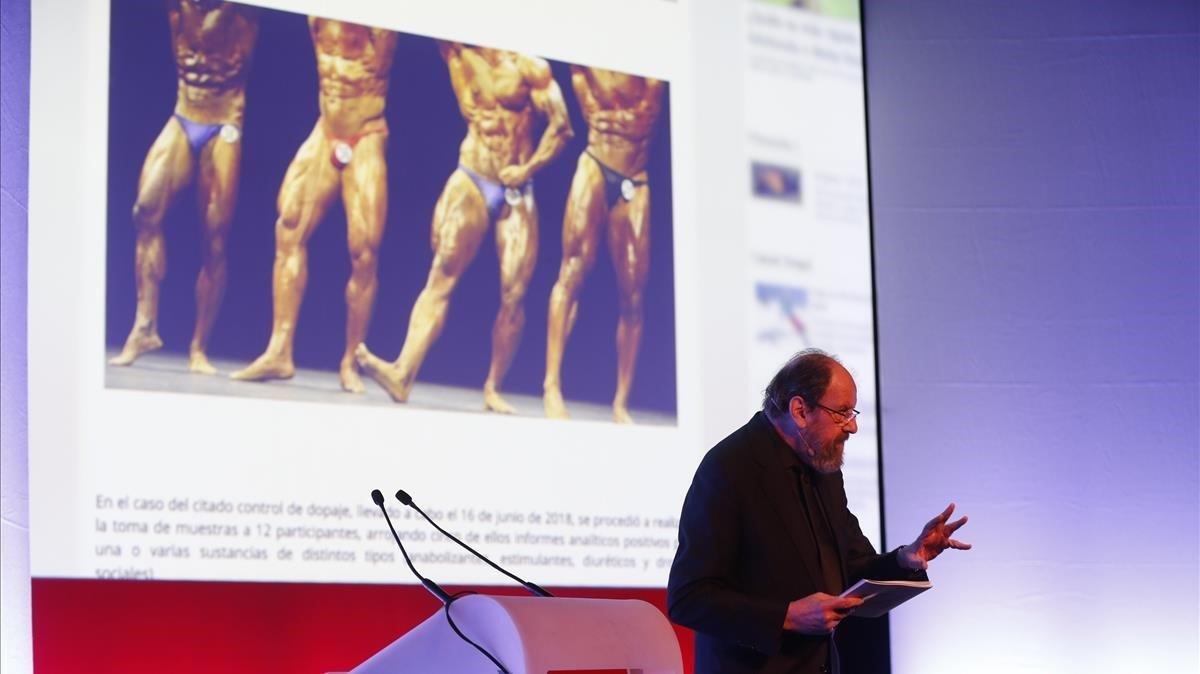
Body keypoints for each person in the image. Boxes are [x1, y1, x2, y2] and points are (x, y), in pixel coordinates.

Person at [667, 349, 970, 673]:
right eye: (841, 413)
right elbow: (689, 598)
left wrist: (905, 559)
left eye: (853, 413)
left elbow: (853, 565)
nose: (852, 427)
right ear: (799, 410)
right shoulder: (729, 468)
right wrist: (786, 615)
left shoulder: (823, 467)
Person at [356, 42, 572, 413]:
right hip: (471, 174)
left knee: (513, 293)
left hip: (517, 185)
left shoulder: (528, 67)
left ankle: (492, 387)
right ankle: (403, 372)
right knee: (441, 273)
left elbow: (562, 128)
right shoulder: (456, 51)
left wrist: (528, 168)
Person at [231, 18, 396, 393]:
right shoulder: (315, 16)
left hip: (366, 135)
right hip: (326, 131)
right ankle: (279, 350)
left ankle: (350, 361)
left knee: (364, 251)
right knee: (288, 225)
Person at [109, 0, 260, 373]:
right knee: (145, 211)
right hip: (184, 113)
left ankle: (198, 348)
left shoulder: (241, 11)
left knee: (216, 237)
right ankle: (145, 325)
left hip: (224, 122)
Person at [543, 66, 664, 424]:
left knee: (633, 296)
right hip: (595, 164)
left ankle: (620, 402)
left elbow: (644, 115)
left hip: (634, 179)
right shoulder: (585, 67)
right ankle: (551, 384)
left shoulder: (651, 71)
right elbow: (589, 110)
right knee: (571, 271)